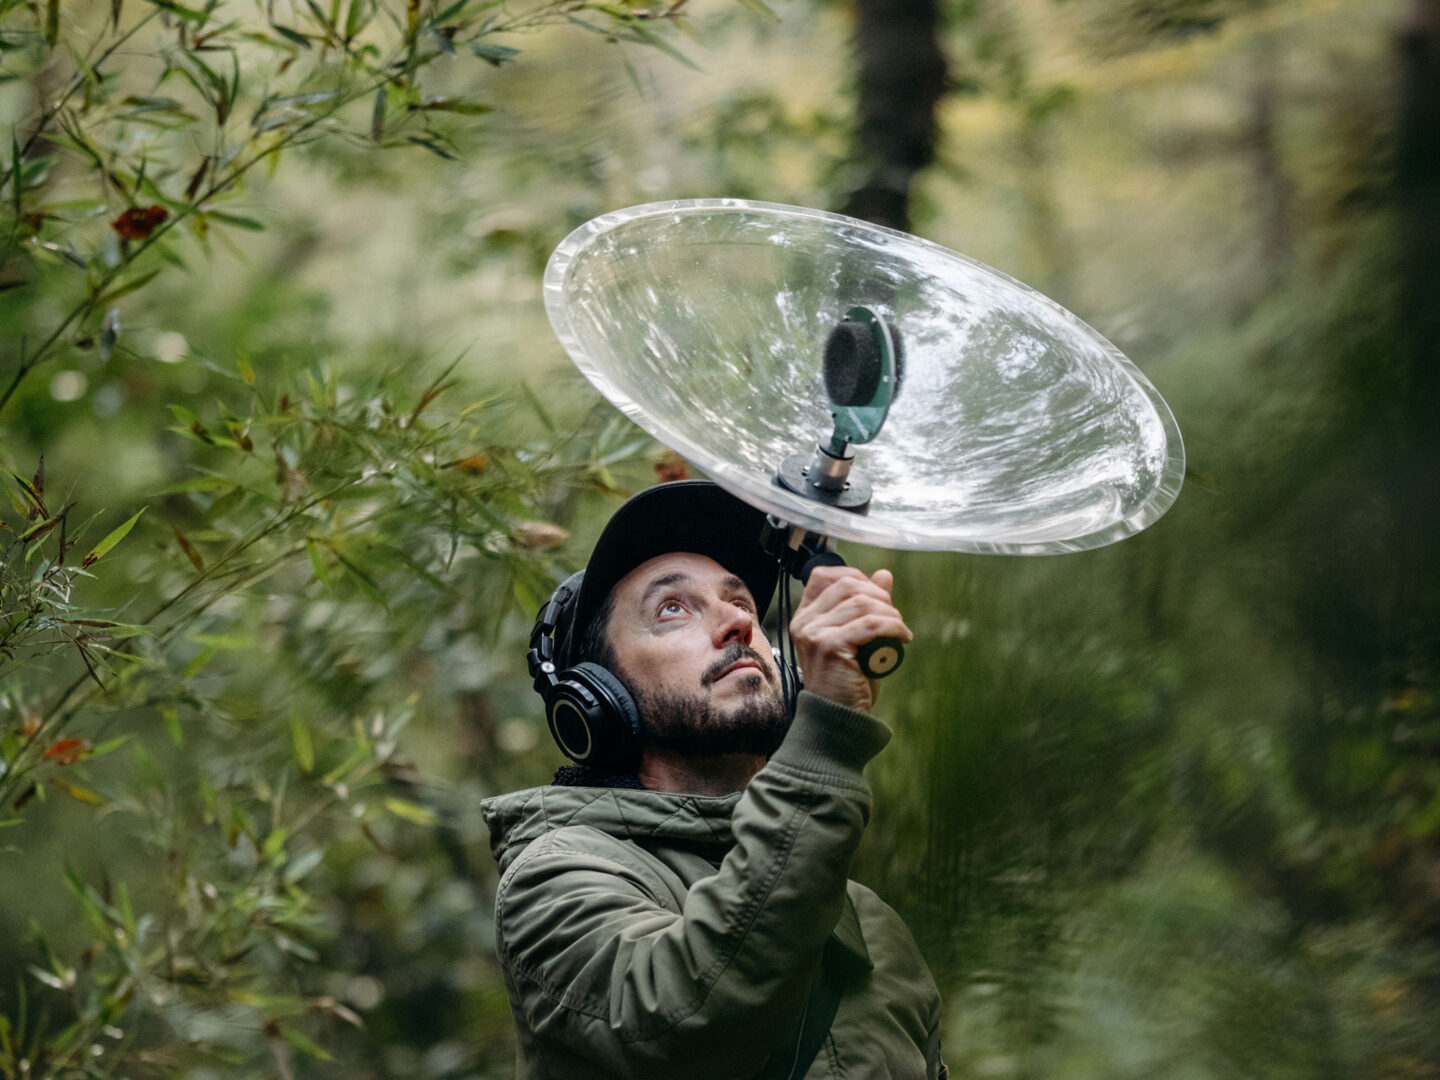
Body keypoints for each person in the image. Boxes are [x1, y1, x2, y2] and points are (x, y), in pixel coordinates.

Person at [480, 480, 945, 1078]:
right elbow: (685, 1026)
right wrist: (828, 735)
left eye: (742, 602)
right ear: (598, 698)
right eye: (672, 609)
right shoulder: (553, 879)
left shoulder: (871, 924)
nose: (736, 623)